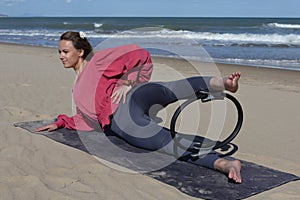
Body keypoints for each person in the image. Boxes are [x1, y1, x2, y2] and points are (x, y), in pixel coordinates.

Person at [36, 31, 242, 183]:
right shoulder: (77, 89)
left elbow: (139, 54)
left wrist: (128, 81)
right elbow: (86, 120)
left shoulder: (98, 61)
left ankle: (222, 83)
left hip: (129, 104)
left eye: (65, 51)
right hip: (124, 117)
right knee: (165, 139)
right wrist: (62, 122)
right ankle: (222, 163)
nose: (61, 56)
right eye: (60, 52)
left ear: (80, 52)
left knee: (170, 91)